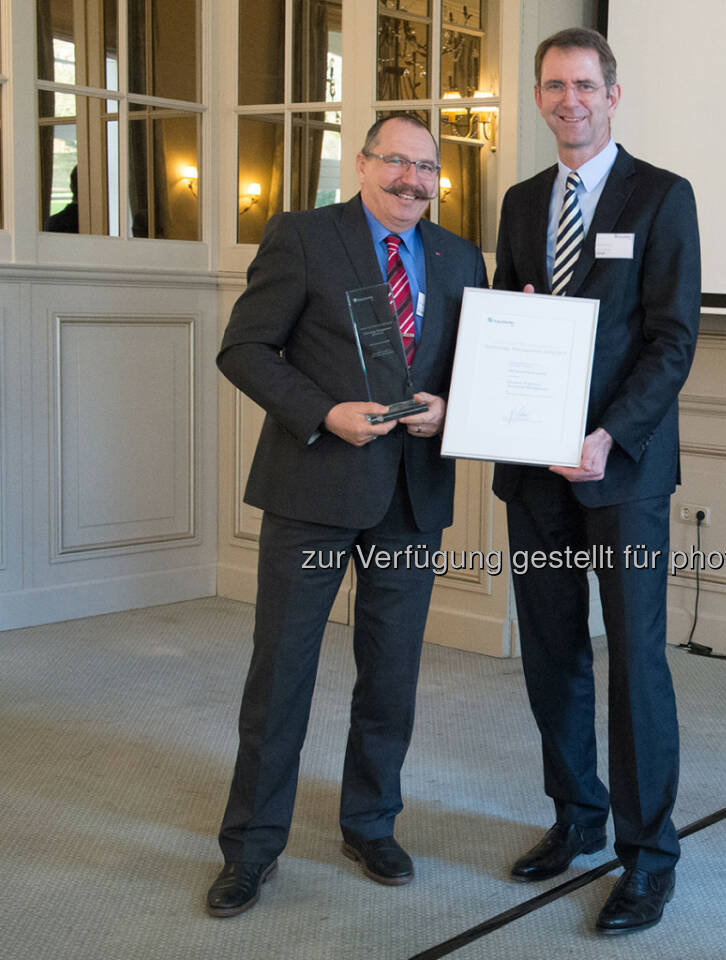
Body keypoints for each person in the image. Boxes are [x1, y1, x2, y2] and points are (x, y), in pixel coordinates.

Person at [206, 115, 486, 917]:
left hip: (410, 499)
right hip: (314, 489)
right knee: (282, 672)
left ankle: (370, 823)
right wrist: (323, 411)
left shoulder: (460, 256)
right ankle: (252, 848)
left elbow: (477, 369)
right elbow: (244, 349)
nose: (412, 180)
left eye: (427, 168)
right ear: (362, 164)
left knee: (391, 673)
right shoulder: (302, 237)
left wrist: (453, 410)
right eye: (396, 161)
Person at [491, 27, 701, 935]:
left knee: (635, 663)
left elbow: (672, 339)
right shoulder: (521, 199)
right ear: (539, 98)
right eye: (553, 86)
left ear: (613, 94)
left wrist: (609, 435)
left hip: (621, 472)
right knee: (551, 654)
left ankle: (649, 856)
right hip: (535, 473)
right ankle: (577, 816)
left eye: (584, 84)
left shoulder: (663, 196)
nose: (568, 100)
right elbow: (505, 321)